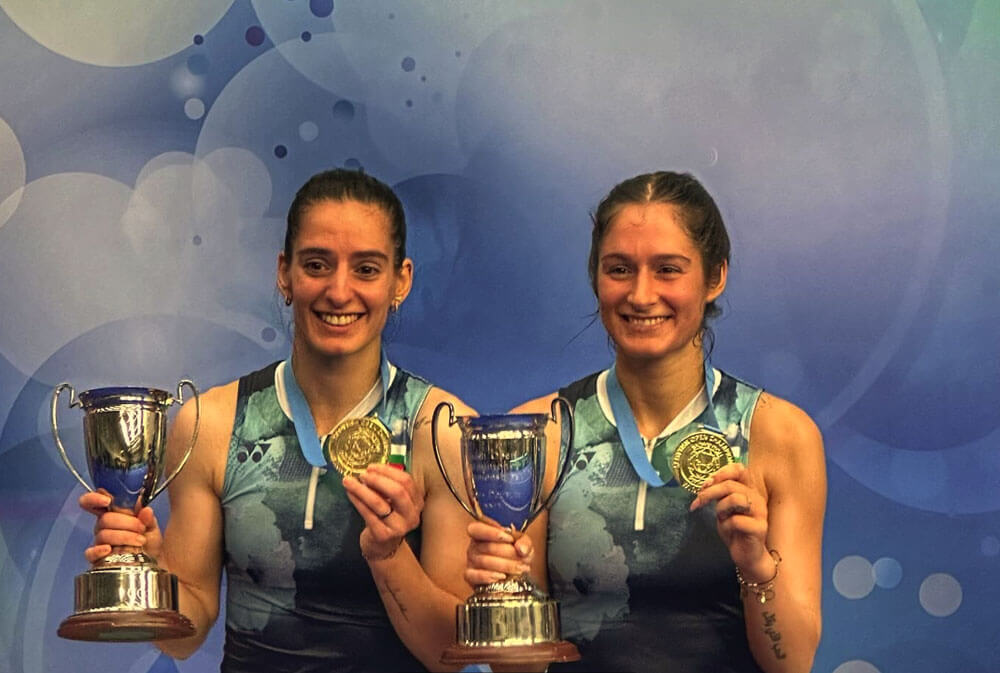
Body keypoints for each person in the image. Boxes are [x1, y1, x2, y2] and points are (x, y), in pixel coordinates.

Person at [80, 169, 476, 672]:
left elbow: (447, 655)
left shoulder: (441, 431)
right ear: (285, 273)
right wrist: (151, 573)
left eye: (366, 269)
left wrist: (388, 554)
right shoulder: (212, 424)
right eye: (317, 265)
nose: (339, 291)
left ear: (401, 281)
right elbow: (185, 639)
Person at [466, 171, 826, 672]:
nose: (640, 294)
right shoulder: (538, 432)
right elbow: (520, 669)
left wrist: (756, 566)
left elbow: (793, 664)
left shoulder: (778, 434)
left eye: (667, 270)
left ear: (715, 277)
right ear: (595, 277)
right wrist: (508, 589)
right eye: (619, 269)